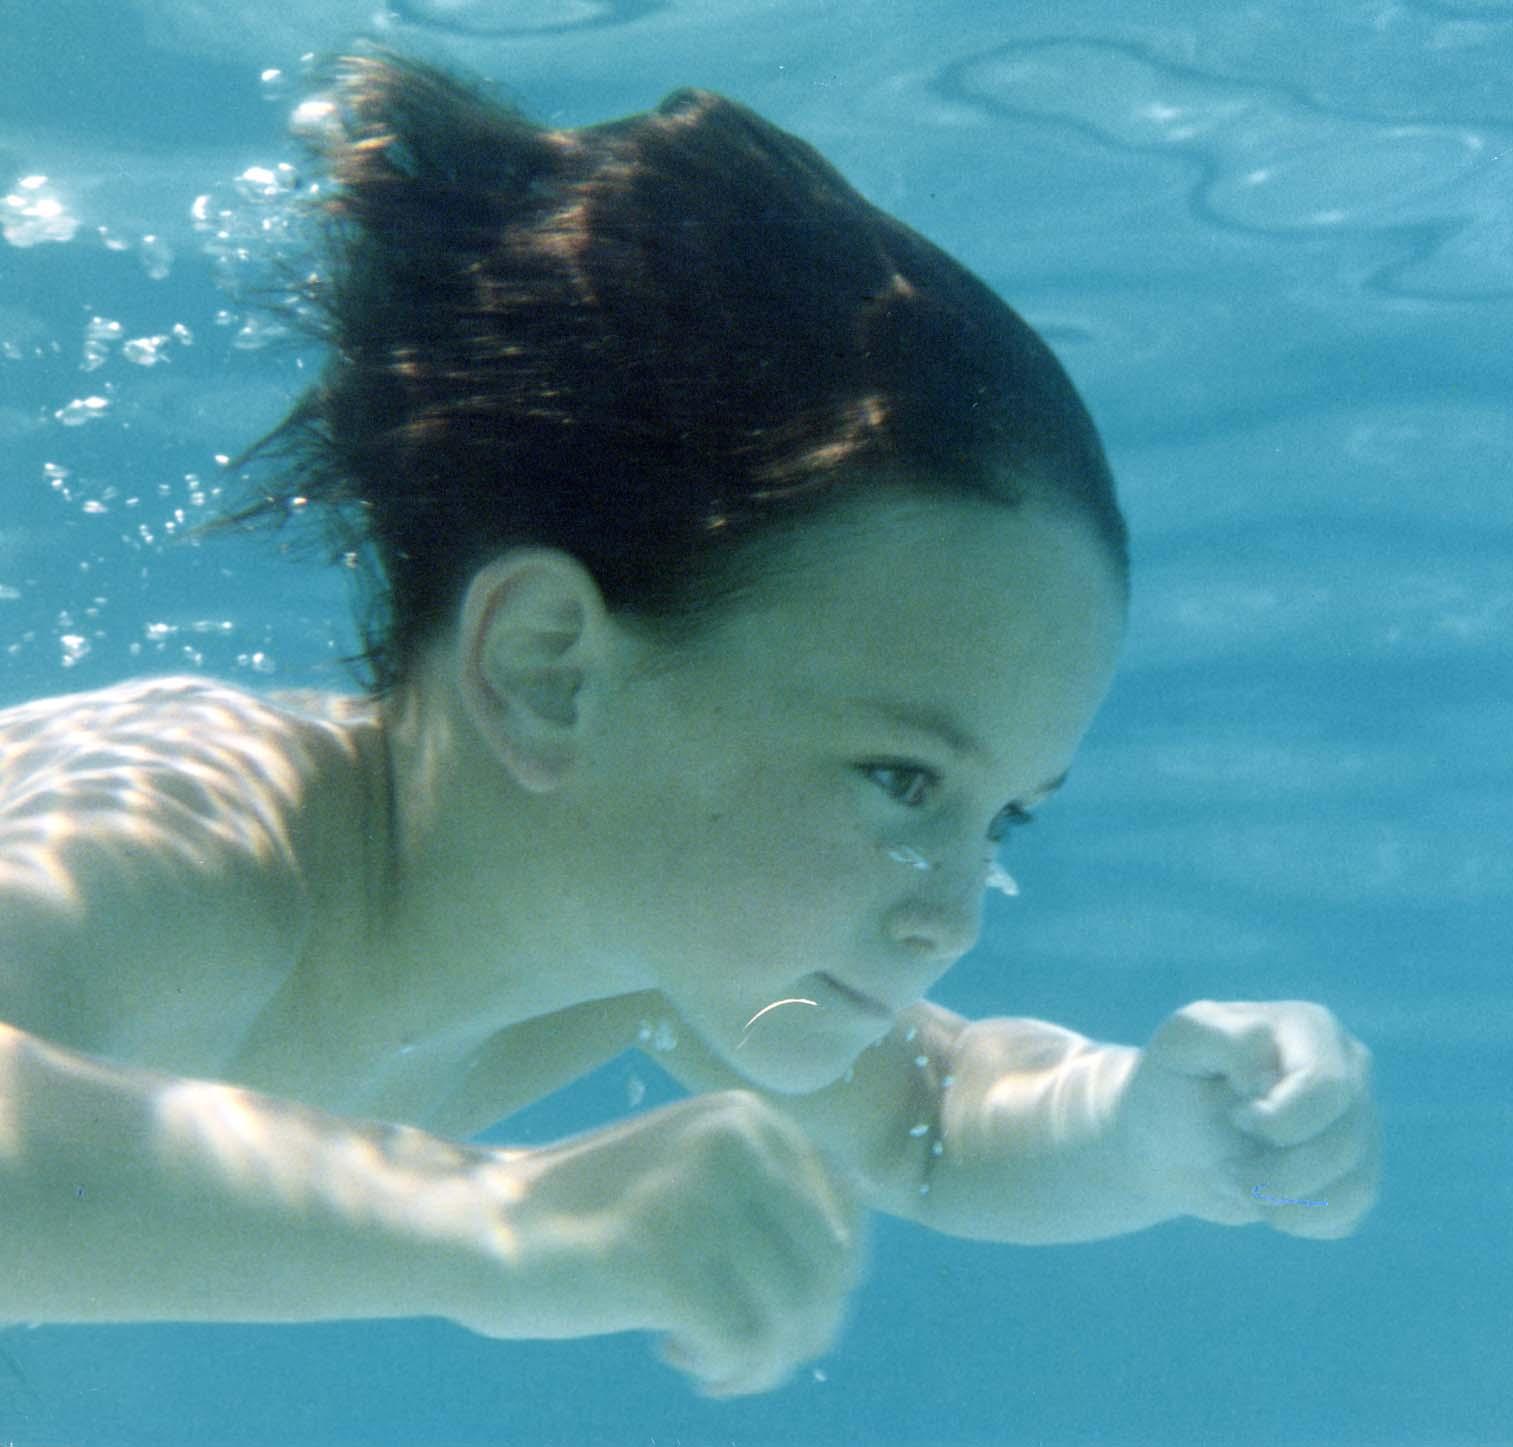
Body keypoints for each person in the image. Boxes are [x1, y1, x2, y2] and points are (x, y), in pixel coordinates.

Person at [0, 52, 1380, 1398]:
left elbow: (933, 1119)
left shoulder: (665, 964)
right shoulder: (204, 853)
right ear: (548, 668)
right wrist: (496, 1228)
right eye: (903, 779)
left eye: (1002, 814)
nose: (953, 918)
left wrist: (1145, 1131)